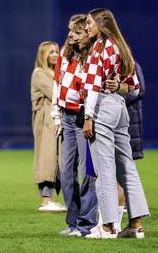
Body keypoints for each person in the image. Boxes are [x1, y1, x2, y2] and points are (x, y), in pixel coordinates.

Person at [82, 8, 150, 239]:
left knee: (105, 170)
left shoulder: (99, 47)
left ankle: (108, 227)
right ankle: (136, 225)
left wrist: (88, 117)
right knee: (127, 168)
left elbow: (91, 86)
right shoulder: (121, 46)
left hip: (101, 107)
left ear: (101, 24)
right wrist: (117, 87)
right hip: (120, 108)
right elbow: (134, 87)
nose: (86, 27)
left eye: (89, 23)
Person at [51, 14, 98, 236]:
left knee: (86, 172)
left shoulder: (93, 56)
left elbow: (92, 91)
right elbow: (57, 83)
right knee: (67, 173)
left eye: (77, 32)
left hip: (83, 119)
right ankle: (73, 222)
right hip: (66, 119)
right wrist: (55, 115)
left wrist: (89, 117)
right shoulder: (64, 52)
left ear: (87, 34)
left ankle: (87, 224)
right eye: (70, 30)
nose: (71, 35)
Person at [31, 41, 67, 213]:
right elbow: (56, 94)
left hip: (55, 119)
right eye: (51, 52)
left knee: (56, 158)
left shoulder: (55, 72)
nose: (55, 54)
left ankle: (50, 199)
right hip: (46, 120)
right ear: (43, 55)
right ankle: (46, 200)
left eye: (57, 51)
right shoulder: (39, 73)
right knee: (47, 159)